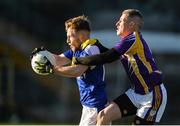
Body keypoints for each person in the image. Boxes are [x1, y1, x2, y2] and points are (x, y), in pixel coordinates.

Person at [73, 9, 167, 125]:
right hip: (136, 93)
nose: (117, 23)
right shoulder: (129, 41)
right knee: (103, 115)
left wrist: (79, 60)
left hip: (152, 96)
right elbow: (110, 54)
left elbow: (108, 57)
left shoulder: (133, 39)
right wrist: (98, 45)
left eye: (121, 20)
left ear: (131, 25)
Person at [31, 15, 109, 125]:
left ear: (82, 35)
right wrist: (44, 55)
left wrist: (53, 70)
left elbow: (77, 70)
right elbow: (58, 60)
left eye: (70, 36)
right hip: (89, 107)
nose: (67, 40)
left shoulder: (91, 48)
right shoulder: (76, 50)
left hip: (96, 107)